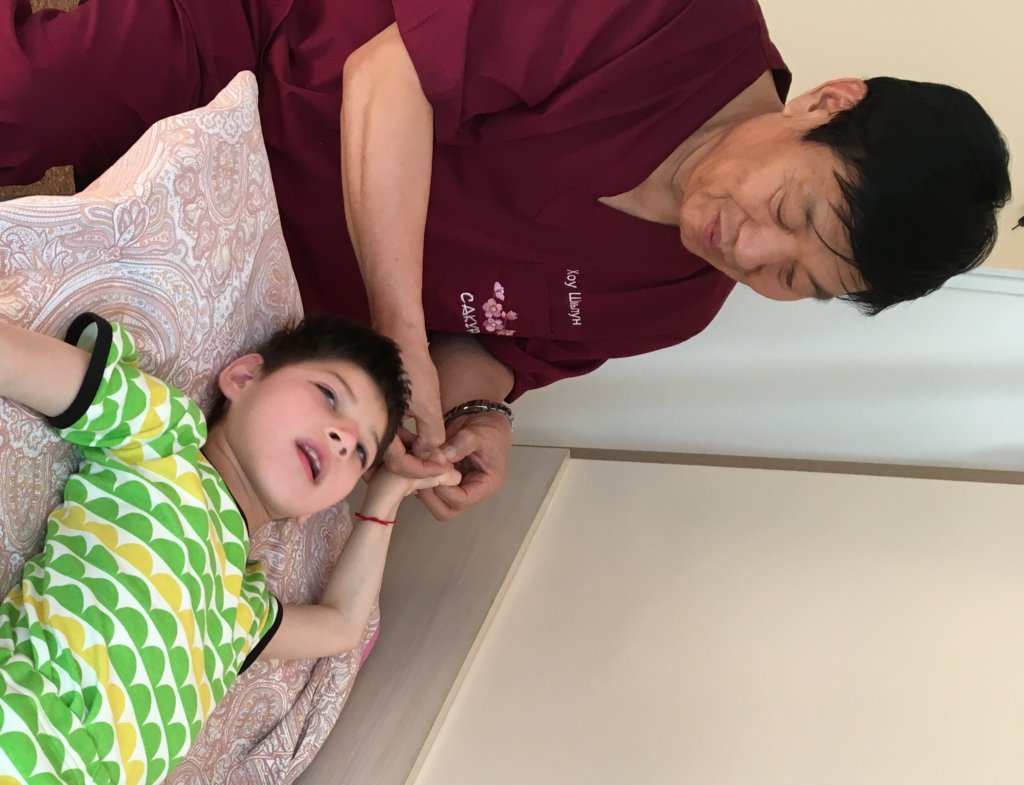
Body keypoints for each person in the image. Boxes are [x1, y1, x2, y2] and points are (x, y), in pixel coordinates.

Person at [1, 0, 1012, 520]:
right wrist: (400, 332)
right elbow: (387, 77)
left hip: (261, 286)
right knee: (27, 101)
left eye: (793, 280)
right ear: (826, 104)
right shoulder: (673, 23)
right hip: (256, 61)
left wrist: (467, 417)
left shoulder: (675, 301)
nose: (747, 248)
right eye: (790, 209)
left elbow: (489, 349)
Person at [0, 312, 459, 782]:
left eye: (360, 452)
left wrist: (385, 496)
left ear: (314, 510)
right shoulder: (163, 436)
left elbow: (343, 625)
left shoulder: (241, 608)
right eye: (328, 395)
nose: (344, 440)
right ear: (243, 378)